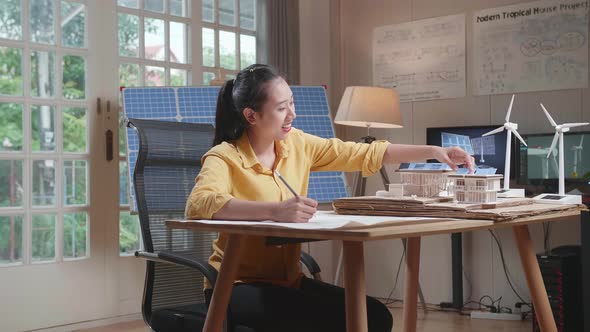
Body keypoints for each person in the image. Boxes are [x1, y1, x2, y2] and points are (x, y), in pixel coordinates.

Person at [185, 64, 474, 332]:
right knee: (320, 321)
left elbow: (360, 153)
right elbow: (199, 203)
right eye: (281, 108)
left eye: (292, 104)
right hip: (233, 287)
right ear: (251, 115)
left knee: (376, 317)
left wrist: (433, 152)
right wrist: (275, 211)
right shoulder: (224, 156)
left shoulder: (296, 143)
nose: (292, 114)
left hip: (289, 282)